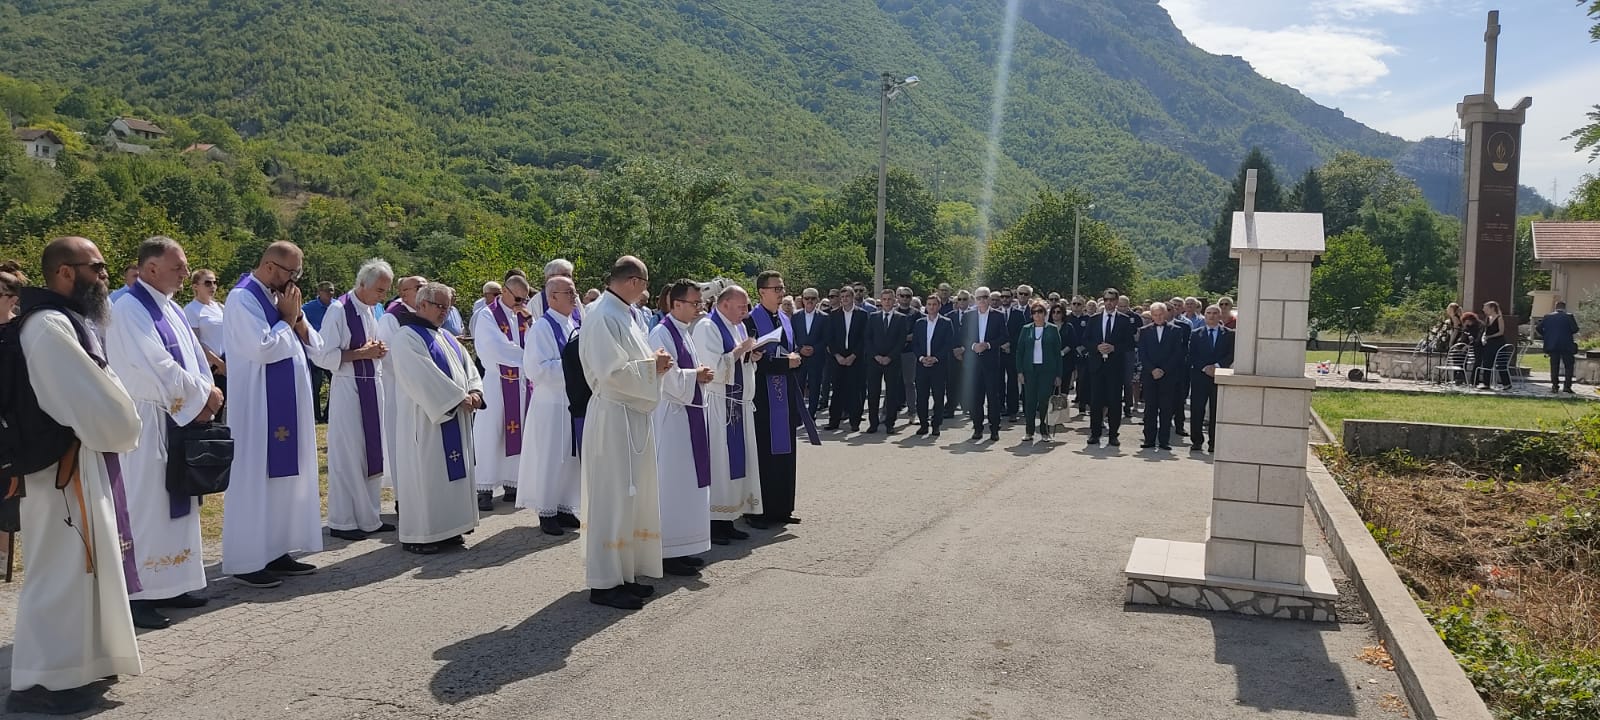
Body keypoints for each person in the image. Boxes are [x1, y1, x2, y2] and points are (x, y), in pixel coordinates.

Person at [6, 237, 145, 715]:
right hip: (57, 470)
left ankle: (79, 665)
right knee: (58, 570)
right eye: (97, 267)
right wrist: (123, 426)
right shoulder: (47, 327)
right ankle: (38, 682)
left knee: (86, 564)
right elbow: (86, 397)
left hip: (78, 460)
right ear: (65, 272)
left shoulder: (65, 320)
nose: (105, 276)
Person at [105, 237, 222, 631]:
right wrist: (203, 394)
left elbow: (193, 355)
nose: (186, 273)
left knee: (178, 500)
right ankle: (138, 595)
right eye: (178, 267)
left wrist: (207, 391)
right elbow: (153, 363)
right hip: (147, 419)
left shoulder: (169, 307)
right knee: (146, 504)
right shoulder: (127, 309)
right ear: (151, 268)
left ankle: (173, 582)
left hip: (176, 414)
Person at [221, 241, 325, 588]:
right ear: (269, 266)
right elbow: (261, 348)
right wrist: (287, 320)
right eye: (291, 272)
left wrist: (296, 322)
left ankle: (276, 549)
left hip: (285, 407)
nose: (295, 279)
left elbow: (316, 346)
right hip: (257, 409)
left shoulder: (280, 296)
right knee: (255, 479)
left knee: (281, 482)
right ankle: (248, 559)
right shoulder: (242, 298)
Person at [580, 256, 670, 610]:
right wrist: (654, 366)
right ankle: (604, 583)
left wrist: (653, 362)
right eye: (645, 284)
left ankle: (625, 574)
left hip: (630, 415)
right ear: (633, 281)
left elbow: (633, 361)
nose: (646, 291)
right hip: (613, 416)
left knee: (629, 498)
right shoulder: (603, 315)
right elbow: (610, 373)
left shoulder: (624, 313)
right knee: (611, 498)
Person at [391, 282, 484, 554]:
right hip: (426, 422)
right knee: (427, 474)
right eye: (439, 306)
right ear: (421, 305)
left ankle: (451, 529)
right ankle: (421, 536)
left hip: (455, 413)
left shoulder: (446, 337)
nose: (445, 311)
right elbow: (421, 376)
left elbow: (469, 368)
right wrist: (458, 398)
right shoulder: (407, 336)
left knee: (450, 474)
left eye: (448, 306)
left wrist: (476, 390)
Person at [311, 259, 395, 542]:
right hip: (349, 389)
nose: (382, 296)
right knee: (349, 454)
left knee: (372, 453)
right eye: (379, 290)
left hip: (372, 385)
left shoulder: (371, 309)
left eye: (385, 291)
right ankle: (342, 520)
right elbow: (323, 355)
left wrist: (377, 350)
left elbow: (369, 348)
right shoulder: (338, 310)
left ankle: (369, 517)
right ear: (362, 285)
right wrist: (361, 354)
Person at [649, 279, 716, 577]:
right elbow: (668, 379)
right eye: (694, 303)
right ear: (676, 304)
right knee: (673, 484)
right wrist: (696, 375)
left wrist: (698, 374)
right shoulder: (661, 332)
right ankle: (667, 551)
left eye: (700, 303)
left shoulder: (684, 331)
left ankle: (685, 546)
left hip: (688, 415)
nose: (699, 308)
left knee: (688, 483)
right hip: (672, 418)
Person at [745, 270, 817, 528]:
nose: (781, 293)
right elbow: (753, 359)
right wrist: (786, 362)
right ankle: (759, 512)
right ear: (761, 292)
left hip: (784, 392)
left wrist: (793, 357)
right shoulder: (750, 321)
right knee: (764, 452)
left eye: (782, 288)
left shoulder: (786, 318)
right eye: (776, 289)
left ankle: (782, 507)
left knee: (785, 450)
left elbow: (791, 349)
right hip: (762, 396)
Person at [694, 284, 762, 545]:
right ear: (724, 304)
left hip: (737, 404)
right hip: (719, 405)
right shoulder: (707, 327)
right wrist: (740, 351)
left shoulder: (739, 326)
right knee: (720, 465)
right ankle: (714, 522)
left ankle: (730, 516)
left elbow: (738, 361)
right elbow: (713, 369)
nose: (745, 312)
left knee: (735, 465)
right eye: (741, 306)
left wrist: (751, 355)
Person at [517, 275, 583, 535]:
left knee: (570, 457)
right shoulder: (542, 328)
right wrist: (576, 368)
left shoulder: (574, 323)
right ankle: (547, 511)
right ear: (552, 296)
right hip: (551, 402)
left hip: (572, 400)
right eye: (568, 292)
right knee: (551, 457)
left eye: (574, 291)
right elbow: (536, 369)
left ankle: (565, 506)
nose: (574, 297)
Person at [470, 274, 532, 510]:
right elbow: (494, 348)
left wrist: (530, 322)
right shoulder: (487, 316)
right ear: (504, 292)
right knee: (490, 433)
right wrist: (528, 357)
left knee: (518, 430)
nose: (521, 303)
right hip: (497, 382)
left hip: (521, 382)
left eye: (524, 299)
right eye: (518, 298)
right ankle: (483, 488)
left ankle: (512, 482)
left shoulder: (524, 315)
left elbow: (534, 341)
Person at [1084, 288, 1136, 447]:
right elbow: (1086, 340)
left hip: (1115, 366)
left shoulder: (1124, 320)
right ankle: (1095, 433)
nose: (1109, 302)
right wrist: (1096, 348)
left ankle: (1113, 434)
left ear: (1117, 301)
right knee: (1096, 401)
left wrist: (1114, 348)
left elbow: (1129, 344)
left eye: (1112, 300)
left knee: (1114, 401)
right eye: (1106, 299)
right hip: (1097, 366)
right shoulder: (1094, 319)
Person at [963, 287, 1009, 442]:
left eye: (985, 297)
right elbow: (962, 336)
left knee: (993, 397)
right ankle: (977, 428)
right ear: (975, 300)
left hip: (991, 361)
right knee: (976, 397)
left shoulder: (998, 316)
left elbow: (1004, 336)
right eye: (979, 297)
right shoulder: (969, 315)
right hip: (974, 361)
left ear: (989, 299)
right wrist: (972, 346)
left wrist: (988, 344)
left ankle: (994, 429)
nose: (982, 300)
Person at [1137, 302, 1185, 450]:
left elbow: (1178, 353)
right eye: (1155, 315)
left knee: (1166, 408)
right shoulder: (1144, 331)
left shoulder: (1176, 330)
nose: (1158, 317)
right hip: (1150, 375)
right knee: (1150, 408)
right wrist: (1152, 369)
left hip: (1168, 375)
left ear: (1166, 314)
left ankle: (1164, 440)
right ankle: (1149, 439)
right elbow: (1142, 353)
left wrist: (1163, 369)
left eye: (1161, 314)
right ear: (1151, 315)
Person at [1014, 299, 1062, 442]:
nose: (1037, 315)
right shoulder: (1026, 329)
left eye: (1040, 312)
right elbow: (1019, 351)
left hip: (1047, 370)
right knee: (1029, 401)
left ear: (1045, 314)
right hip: (1030, 369)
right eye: (1034, 312)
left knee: (1044, 400)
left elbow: (1057, 353)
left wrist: (1059, 374)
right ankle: (1029, 431)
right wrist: (1020, 371)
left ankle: (1044, 430)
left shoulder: (1052, 329)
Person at [1188, 304, 1234, 453]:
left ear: (1220, 316)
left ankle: (1214, 442)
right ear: (1205, 315)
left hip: (1219, 376)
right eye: (1209, 313)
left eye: (1215, 313)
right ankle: (1196, 440)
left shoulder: (1229, 334)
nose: (1212, 316)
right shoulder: (1196, 333)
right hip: (1200, 376)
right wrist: (1205, 368)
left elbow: (1231, 354)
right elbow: (1191, 354)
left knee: (1216, 410)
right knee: (1197, 409)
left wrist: (1217, 366)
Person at [864, 288, 910, 433]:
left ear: (894, 301)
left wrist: (890, 357)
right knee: (873, 393)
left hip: (892, 360)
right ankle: (873, 423)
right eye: (884, 299)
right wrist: (876, 356)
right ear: (881, 301)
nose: (887, 302)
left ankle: (890, 423)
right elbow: (868, 339)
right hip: (874, 361)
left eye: (890, 299)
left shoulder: (901, 318)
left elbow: (901, 340)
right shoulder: (873, 317)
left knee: (892, 393)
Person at [824, 286, 867, 432]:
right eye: (842, 297)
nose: (844, 300)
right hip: (838, 359)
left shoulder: (862, 315)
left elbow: (864, 338)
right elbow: (830, 338)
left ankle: (855, 422)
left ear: (853, 297)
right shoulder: (834, 315)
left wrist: (853, 356)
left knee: (855, 391)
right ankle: (834, 421)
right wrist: (837, 355)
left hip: (855, 358)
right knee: (837, 390)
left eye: (847, 297)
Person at [913, 293, 957, 437]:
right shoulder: (920, 323)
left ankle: (936, 425)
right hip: (921, 365)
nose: (932, 307)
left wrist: (935, 358)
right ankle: (923, 424)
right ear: (926, 306)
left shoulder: (946, 322)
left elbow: (948, 343)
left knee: (938, 396)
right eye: (929, 304)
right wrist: (921, 358)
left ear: (939, 306)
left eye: (934, 304)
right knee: (921, 396)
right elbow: (916, 344)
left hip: (939, 365)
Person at [183, 268, 228, 403]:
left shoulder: (220, 307)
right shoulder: (191, 310)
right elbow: (195, 342)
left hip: (225, 365)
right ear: (196, 286)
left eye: (215, 282)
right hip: (208, 367)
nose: (213, 286)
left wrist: (226, 362)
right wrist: (218, 363)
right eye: (208, 283)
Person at [302, 282, 336, 424]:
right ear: (319, 292)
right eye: (327, 291)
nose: (331, 294)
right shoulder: (309, 308)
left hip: (331, 352)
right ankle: (316, 415)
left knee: (335, 383)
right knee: (315, 385)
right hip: (315, 353)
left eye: (332, 291)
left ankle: (329, 414)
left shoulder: (337, 307)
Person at [792, 287, 828, 417]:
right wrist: (799, 348)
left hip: (816, 357)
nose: (810, 301)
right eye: (807, 298)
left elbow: (826, 338)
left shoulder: (824, 318)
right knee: (799, 386)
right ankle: (798, 413)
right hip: (800, 357)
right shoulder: (796, 316)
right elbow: (792, 337)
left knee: (815, 386)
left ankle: (811, 413)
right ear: (802, 300)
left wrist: (815, 348)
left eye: (813, 298)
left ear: (817, 300)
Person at [1537, 301, 1580, 393]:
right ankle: (1567, 386)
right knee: (1568, 366)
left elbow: (1538, 328)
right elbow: (1575, 329)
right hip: (1566, 345)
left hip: (1553, 344)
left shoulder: (1548, 316)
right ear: (1564, 308)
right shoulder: (1569, 316)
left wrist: (1547, 335)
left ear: (1555, 307)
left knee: (1554, 366)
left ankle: (1555, 386)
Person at [1002, 285, 1031, 420]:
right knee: (998, 381)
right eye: (1002, 296)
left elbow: (1021, 333)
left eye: (1007, 296)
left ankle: (1013, 409)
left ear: (1012, 298)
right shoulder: (994, 313)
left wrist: (1010, 344)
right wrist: (1001, 344)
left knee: (1013, 381)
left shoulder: (1018, 314)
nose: (1004, 299)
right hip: (998, 351)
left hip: (1013, 352)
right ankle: (1000, 407)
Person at [1480, 301, 1510, 390]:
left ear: (1492, 308)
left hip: (1498, 343)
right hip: (1489, 344)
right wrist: (1484, 337)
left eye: (1485, 308)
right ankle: (1486, 384)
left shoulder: (1499, 318)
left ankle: (1507, 384)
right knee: (1487, 363)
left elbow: (1501, 332)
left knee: (1501, 364)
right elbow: (1485, 331)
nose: (1483, 310)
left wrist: (1490, 336)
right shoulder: (1488, 318)